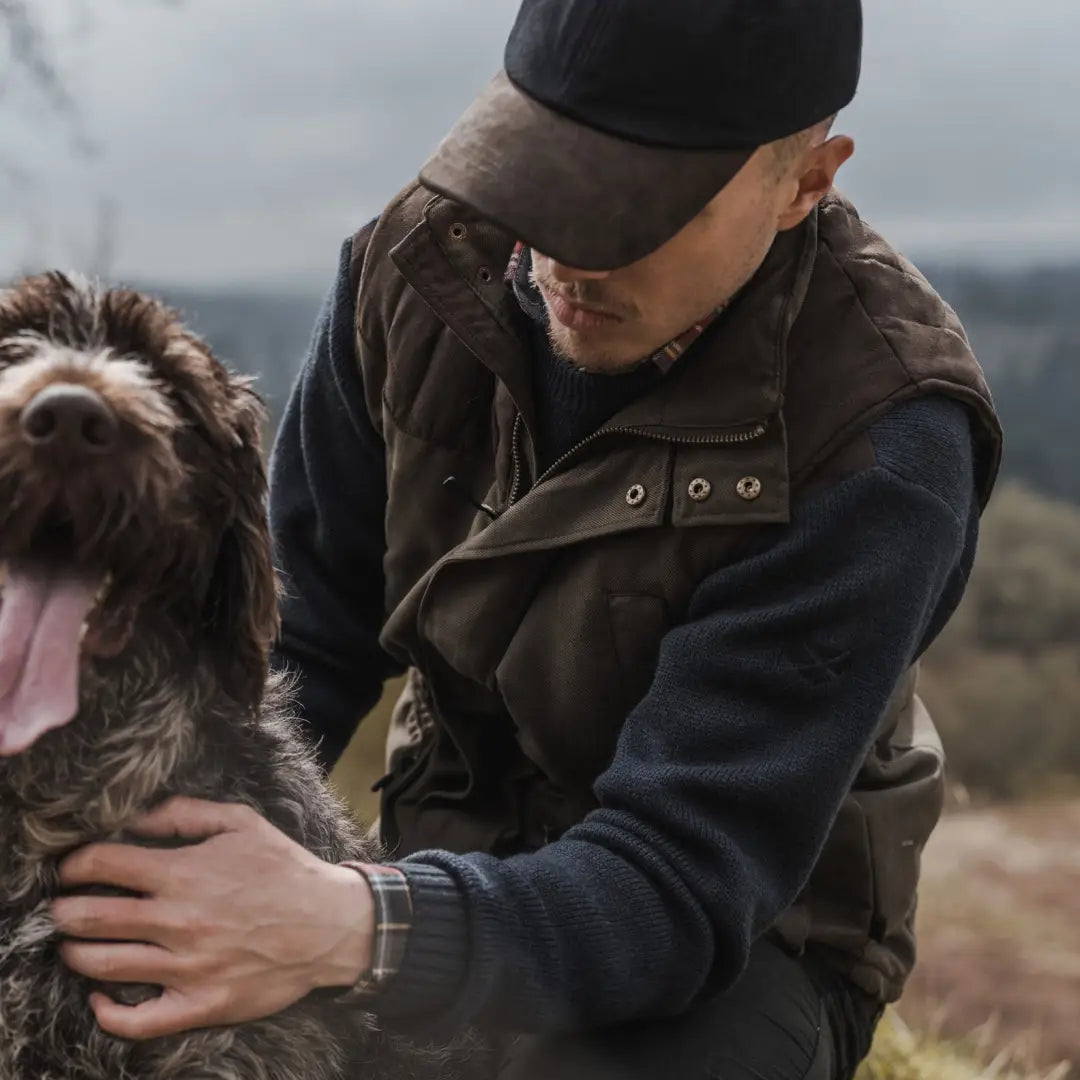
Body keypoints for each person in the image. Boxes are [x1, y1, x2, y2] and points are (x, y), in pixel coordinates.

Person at [51, 1, 1003, 1077]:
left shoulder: (883, 440)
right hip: (439, 842)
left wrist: (343, 925)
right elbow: (290, 643)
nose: (561, 253)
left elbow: (680, 881)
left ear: (806, 182)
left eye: (635, 208)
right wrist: (152, 858)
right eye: (541, 172)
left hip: (739, 935)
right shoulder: (412, 271)